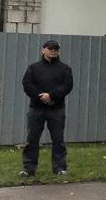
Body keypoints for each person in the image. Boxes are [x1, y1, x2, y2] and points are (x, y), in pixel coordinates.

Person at [20, 40, 74, 177]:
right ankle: (28, 169)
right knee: (32, 139)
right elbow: (27, 84)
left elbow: (67, 86)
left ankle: (60, 168)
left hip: (56, 108)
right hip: (36, 108)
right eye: (50, 48)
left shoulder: (65, 69)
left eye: (56, 49)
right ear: (43, 50)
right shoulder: (34, 68)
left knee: (58, 140)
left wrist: (51, 96)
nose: (53, 51)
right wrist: (40, 96)